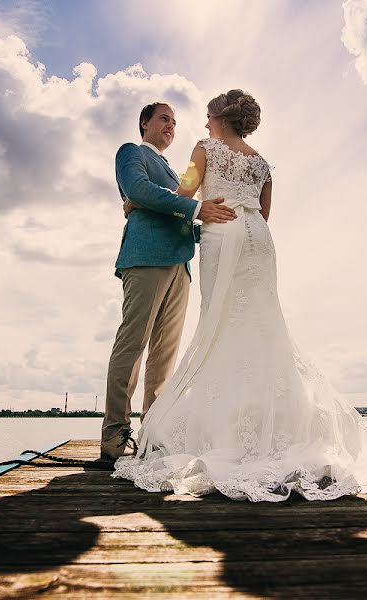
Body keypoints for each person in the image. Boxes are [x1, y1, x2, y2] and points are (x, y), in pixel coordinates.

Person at [114, 90, 367, 501]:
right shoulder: (263, 163)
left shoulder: (204, 148)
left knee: (220, 325)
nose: (203, 123)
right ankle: (273, 423)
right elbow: (264, 212)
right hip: (258, 241)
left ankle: (223, 426)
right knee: (262, 325)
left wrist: (133, 206)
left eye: (207, 116)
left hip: (221, 234)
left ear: (218, 118)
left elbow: (185, 193)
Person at [100, 102, 237, 463]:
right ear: (144, 123)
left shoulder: (176, 175)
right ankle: (115, 436)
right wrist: (191, 208)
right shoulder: (131, 153)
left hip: (181, 266)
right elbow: (139, 190)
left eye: (175, 122)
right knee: (132, 345)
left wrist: (217, 227)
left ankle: (153, 435)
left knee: (164, 357)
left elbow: (174, 214)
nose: (171, 126)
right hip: (145, 258)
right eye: (164, 118)